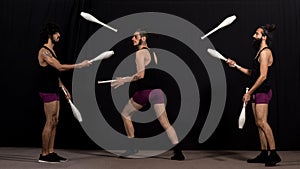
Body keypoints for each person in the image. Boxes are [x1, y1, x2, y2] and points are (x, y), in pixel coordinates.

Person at [111, 29, 185, 160]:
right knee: (165, 123)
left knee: (125, 114)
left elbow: (141, 75)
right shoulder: (153, 53)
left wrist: (123, 80)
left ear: (143, 38)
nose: (132, 39)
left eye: (135, 36)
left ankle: (132, 148)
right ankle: (178, 152)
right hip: (157, 92)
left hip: (144, 93)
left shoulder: (139, 53)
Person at [226, 24, 281, 167]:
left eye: (256, 34)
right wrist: (236, 66)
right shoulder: (259, 52)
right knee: (258, 124)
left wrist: (249, 93)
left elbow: (263, 77)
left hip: (262, 91)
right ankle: (264, 153)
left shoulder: (265, 52)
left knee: (263, 122)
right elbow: (253, 73)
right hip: (256, 91)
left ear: (264, 37)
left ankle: (274, 154)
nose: (253, 36)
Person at [37, 22, 90, 163]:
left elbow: (54, 73)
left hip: (54, 88)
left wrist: (62, 87)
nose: (59, 35)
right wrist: (80, 65)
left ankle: (51, 152)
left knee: (55, 121)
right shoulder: (44, 51)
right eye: (56, 33)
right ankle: (43, 154)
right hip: (47, 90)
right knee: (49, 121)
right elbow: (59, 67)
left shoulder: (52, 51)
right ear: (50, 35)